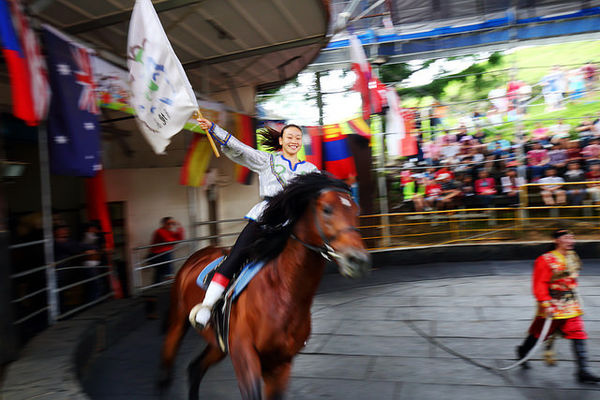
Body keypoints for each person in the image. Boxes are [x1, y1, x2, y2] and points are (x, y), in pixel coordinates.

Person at [189, 119, 318, 330]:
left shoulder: (311, 170)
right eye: (290, 137)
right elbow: (241, 148)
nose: (294, 141)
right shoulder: (266, 160)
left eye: (297, 137)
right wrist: (213, 129)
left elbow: (322, 192)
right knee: (237, 255)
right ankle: (207, 306)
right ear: (281, 140)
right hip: (265, 217)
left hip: (292, 223)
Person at [515, 229, 600, 383]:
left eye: (572, 238)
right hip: (551, 303)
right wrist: (545, 303)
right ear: (557, 240)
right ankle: (523, 351)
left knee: (578, 333)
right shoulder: (545, 260)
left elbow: (572, 281)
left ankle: (583, 370)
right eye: (567, 238)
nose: (571, 241)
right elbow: (539, 284)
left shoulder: (573, 257)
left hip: (570, 304)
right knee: (539, 334)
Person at [150, 217, 184, 283]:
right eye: (169, 223)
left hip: (162, 255)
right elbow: (169, 241)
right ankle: (169, 274)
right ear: (164, 224)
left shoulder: (169, 232)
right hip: (155, 255)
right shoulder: (160, 231)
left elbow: (180, 238)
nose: (171, 225)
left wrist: (179, 227)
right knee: (167, 256)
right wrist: (175, 240)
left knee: (160, 271)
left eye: (173, 223)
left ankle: (157, 285)